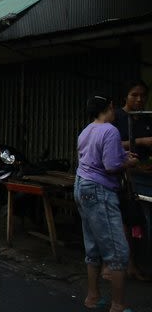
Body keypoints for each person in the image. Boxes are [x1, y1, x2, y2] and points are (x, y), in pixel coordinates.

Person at [75, 95, 138, 312]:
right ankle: (118, 305)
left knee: (92, 245)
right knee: (118, 251)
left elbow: (91, 156)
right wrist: (128, 161)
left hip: (82, 186)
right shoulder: (110, 130)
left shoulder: (86, 130)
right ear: (110, 107)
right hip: (99, 190)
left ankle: (93, 297)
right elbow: (110, 165)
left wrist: (121, 153)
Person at [111, 80, 152, 282]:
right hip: (122, 176)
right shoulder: (117, 117)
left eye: (143, 95)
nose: (139, 99)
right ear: (125, 97)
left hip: (143, 173)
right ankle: (128, 264)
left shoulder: (145, 119)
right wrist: (141, 142)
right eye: (134, 95)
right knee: (126, 220)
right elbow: (110, 143)